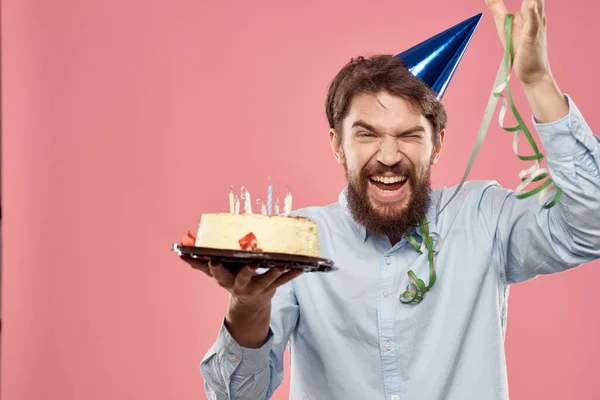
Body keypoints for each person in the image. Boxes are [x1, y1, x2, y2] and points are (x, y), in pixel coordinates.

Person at [180, 0, 600, 398]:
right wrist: (247, 306)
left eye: (409, 135)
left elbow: (591, 226)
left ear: (436, 145)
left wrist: (538, 82)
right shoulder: (297, 243)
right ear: (338, 145)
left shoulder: (482, 217)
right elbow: (237, 394)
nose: (388, 156)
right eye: (367, 134)